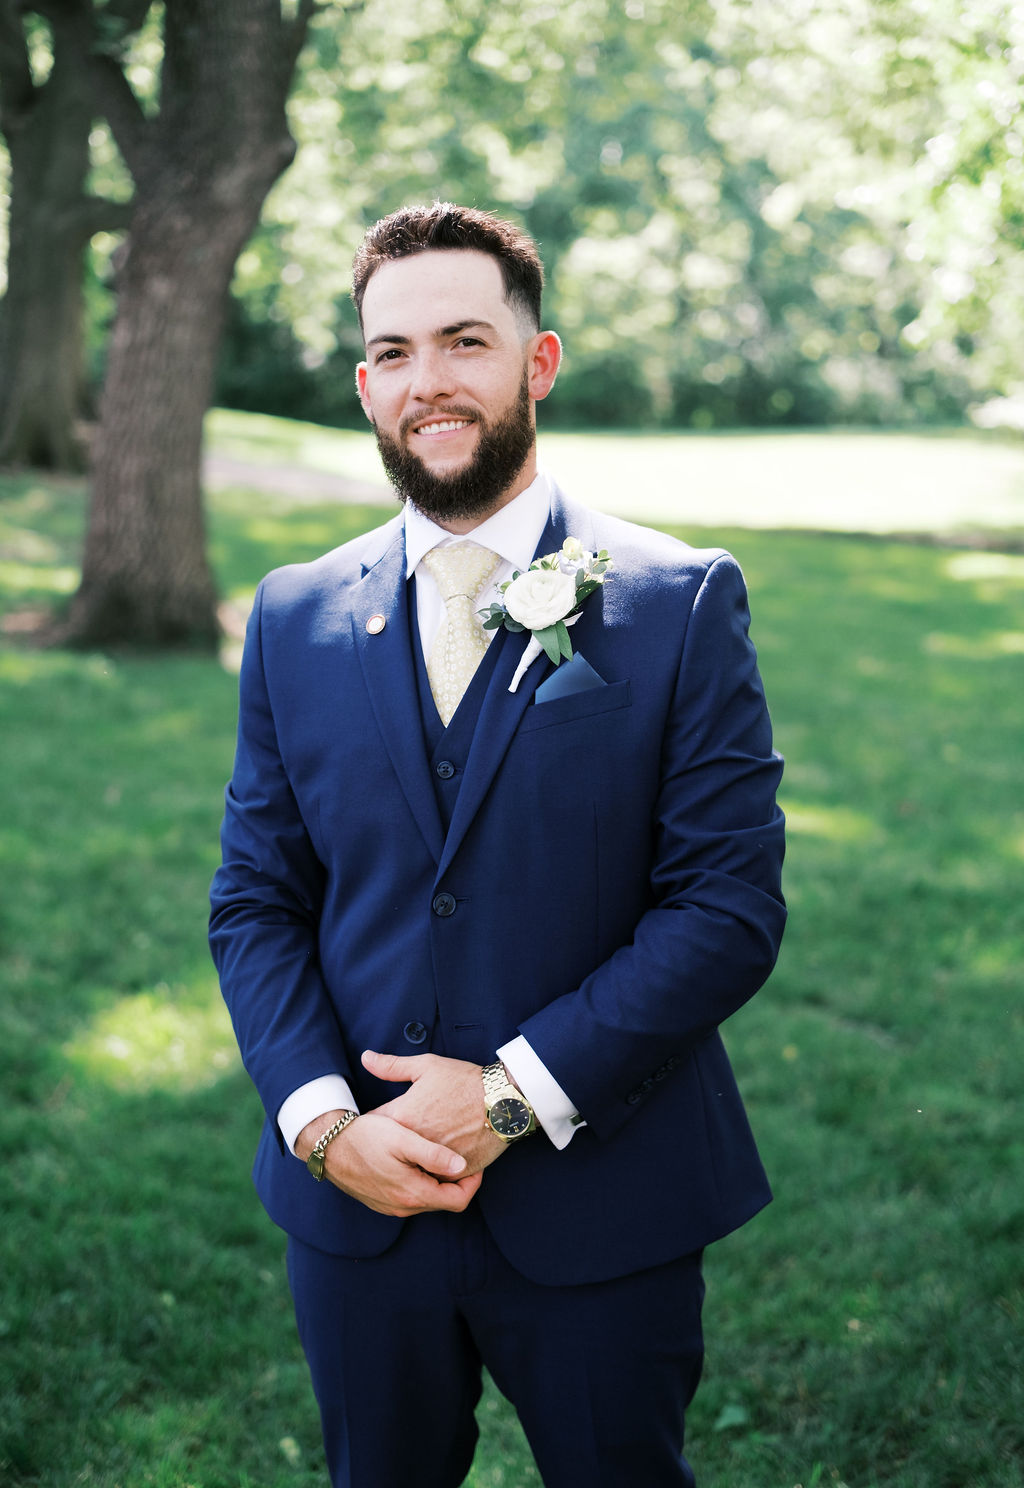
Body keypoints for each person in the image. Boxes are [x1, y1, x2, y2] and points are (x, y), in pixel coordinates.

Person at [209, 202, 786, 1488]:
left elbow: (727, 909)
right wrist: (318, 1122)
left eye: (465, 341)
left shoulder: (678, 600)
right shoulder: (294, 613)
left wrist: (510, 1094)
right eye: (396, 353)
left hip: (604, 1201)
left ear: (538, 361)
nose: (430, 383)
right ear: (366, 386)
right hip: (356, 1202)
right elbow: (256, 898)